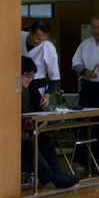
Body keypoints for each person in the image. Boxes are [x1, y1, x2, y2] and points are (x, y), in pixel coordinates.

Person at [21, 56, 81, 189]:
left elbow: (27, 112)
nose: (30, 80)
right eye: (28, 76)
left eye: (32, 76)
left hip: (23, 131)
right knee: (28, 145)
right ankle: (51, 176)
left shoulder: (25, 91)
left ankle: (58, 172)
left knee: (44, 139)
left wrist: (28, 123)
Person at [21, 21, 60, 112]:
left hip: (36, 84)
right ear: (30, 32)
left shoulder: (49, 48)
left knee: (34, 112)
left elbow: (54, 77)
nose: (40, 42)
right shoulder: (19, 36)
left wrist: (47, 95)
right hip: (17, 82)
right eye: (38, 39)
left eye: (43, 40)